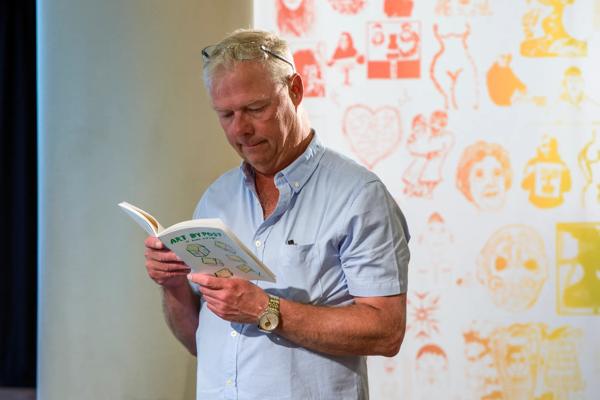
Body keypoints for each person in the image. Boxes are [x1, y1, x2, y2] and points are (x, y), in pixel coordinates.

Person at [143, 29, 410, 400]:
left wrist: (264, 308)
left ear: (295, 90)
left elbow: (386, 331)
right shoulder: (216, 199)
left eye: (255, 109)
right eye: (226, 114)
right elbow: (199, 340)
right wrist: (171, 284)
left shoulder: (359, 196)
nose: (241, 129)